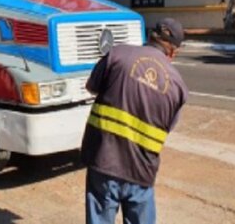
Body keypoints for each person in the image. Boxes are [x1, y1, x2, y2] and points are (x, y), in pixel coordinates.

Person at [80, 18, 189, 224]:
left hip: (104, 160)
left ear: (149, 36)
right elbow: (169, 126)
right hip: (141, 171)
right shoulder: (177, 86)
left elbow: (91, 86)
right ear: (173, 52)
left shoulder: (117, 54)